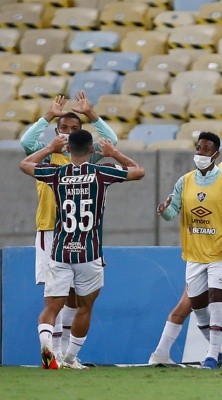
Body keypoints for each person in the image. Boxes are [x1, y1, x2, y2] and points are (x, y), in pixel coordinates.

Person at [20, 130, 144, 369]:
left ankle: (47, 350)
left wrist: (50, 148)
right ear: (91, 150)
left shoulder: (56, 173)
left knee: (51, 306)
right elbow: (139, 171)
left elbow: (25, 164)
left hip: (60, 250)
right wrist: (114, 152)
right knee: (85, 306)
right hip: (89, 251)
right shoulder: (101, 172)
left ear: (67, 149)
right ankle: (69, 358)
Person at [20, 92, 119, 363]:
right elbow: (26, 142)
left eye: (74, 130)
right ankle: (56, 351)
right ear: (55, 131)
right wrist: (48, 115)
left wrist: (92, 114)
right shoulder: (48, 156)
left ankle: (60, 354)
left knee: (74, 295)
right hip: (50, 230)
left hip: (79, 234)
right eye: (63, 128)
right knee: (55, 296)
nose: (67, 134)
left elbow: (114, 142)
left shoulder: (86, 159)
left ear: (80, 136)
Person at [148, 133, 222, 366]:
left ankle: (212, 356)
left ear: (215, 154)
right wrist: (164, 210)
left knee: (217, 300)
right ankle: (221, 350)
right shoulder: (184, 181)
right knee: (198, 307)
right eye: (198, 148)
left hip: (221, 253)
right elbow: (172, 212)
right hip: (194, 254)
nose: (200, 153)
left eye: (206, 149)